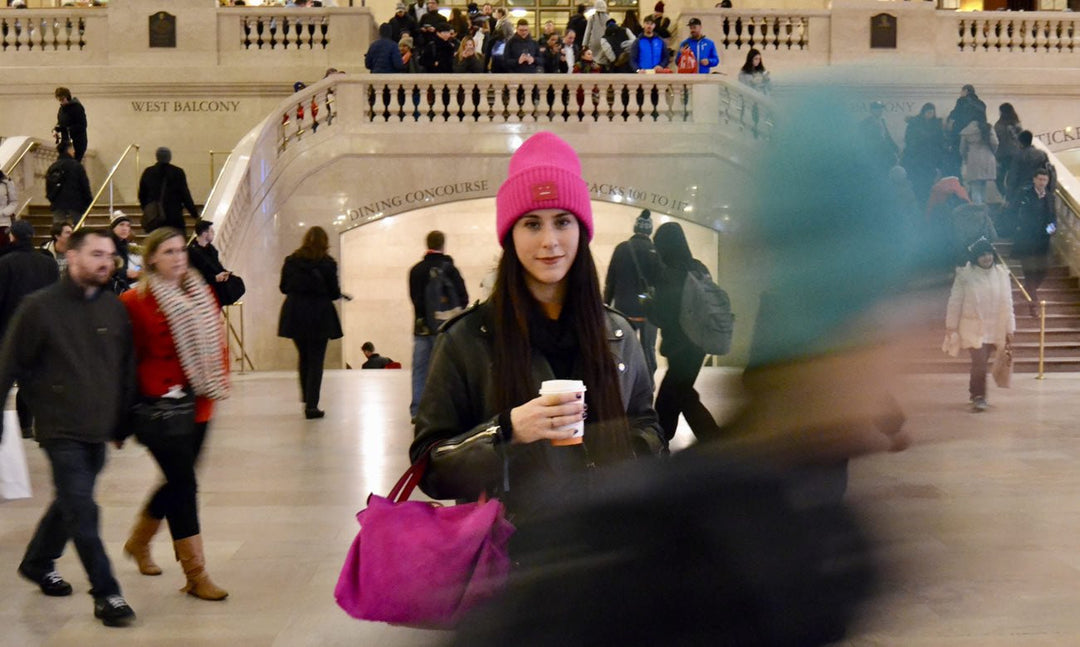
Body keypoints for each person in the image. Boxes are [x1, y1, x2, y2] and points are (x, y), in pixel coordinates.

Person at [410, 131, 663, 524]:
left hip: (604, 540)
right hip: (509, 548)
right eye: (532, 224)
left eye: (562, 222)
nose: (550, 241)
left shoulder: (615, 333)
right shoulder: (467, 338)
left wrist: (624, 451)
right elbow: (430, 467)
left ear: (581, 230)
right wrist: (506, 430)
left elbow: (649, 425)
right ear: (510, 235)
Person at [2, 228, 136, 627]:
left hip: (97, 426)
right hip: (59, 427)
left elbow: (124, 368)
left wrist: (123, 420)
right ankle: (106, 592)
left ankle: (38, 561)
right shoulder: (39, 307)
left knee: (70, 503)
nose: (105, 262)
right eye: (96, 254)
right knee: (83, 508)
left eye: (109, 255)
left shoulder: (113, 308)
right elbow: (8, 365)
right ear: (72, 257)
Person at [118, 227, 230, 601]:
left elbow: (216, 340)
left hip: (199, 401)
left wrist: (218, 379)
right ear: (151, 258)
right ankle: (196, 574)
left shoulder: (200, 291)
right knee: (183, 484)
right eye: (168, 251)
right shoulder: (134, 300)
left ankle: (139, 540)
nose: (178, 257)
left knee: (176, 480)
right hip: (159, 408)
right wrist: (123, 418)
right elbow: (125, 361)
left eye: (181, 250)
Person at [649, 221, 722, 444]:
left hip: (680, 348)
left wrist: (646, 302)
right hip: (700, 345)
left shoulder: (667, 275)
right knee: (683, 395)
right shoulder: (700, 269)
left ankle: (661, 442)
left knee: (670, 400)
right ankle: (712, 443)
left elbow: (660, 316)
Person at [0, 220, 60, 437]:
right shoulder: (48, 264)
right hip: (43, 329)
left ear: (12, 237)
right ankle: (39, 422)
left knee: (10, 376)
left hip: (10, 329)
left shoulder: (5, 263)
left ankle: (23, 425)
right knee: (37, 379)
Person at [278, 226, 344, 420]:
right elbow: (334, 292)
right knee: (316, 360)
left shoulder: (291, 261)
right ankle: (312, 405)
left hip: (295, 313)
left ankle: (307, 397)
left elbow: (283, 287)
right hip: (319, 314)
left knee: (304, 356)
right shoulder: (328, 263)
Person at [945, 238, 1015, 412]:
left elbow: (1008, 302)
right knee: (980, 362)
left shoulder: (1001, 274)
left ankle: (974, 391)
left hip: (995, 328)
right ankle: (979, 396)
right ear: (975, 257)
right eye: (982, 255)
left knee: (981, 363)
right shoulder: (965, 275)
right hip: (973, 327)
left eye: (989, 253)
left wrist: (1010, 328)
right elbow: (955, 301)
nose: (986, 258)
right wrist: (951, 325)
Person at [408, 230, 468, 419]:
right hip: (446, 329)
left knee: (420, 370)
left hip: (422, 329)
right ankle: (443, 412)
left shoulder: (416, 270)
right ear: (443, 245)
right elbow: (463, 299)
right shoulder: (451, 269)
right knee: (445, 370)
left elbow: (415, 300)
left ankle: (417, 411)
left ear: (427, 244)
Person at [604, 209, 660, 377]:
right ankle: (648, 383)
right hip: (649, 309)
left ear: (635, 228)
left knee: (625, 349)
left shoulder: (621, 249)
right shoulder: (655, 251)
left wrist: (606, 305)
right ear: (649, 230)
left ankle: (626, 381)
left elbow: (610, 281)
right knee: (648, 348)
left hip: (624, 309)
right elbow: (661, 282)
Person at [1012, 168, 1055, 317]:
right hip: (1026, 240)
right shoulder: (1025, 194)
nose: (1042, 183)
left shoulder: (1050, 197)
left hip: (1042, 241)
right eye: (1040, 179)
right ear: (1034, 179)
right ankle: (1033, 306)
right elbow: (1014, 211)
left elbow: (1053, 217)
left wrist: (1051, 229)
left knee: (1043, 271)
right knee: (1029, 273)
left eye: (1045, 180)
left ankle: (1026, 291)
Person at [137, 147, 200, 238]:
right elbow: (185, 196)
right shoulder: (177, 172)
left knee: (157, 242)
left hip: (155, 219)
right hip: (174, 217)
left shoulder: (148, 172)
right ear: (169, 157)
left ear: (157, 157)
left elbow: (141, 195)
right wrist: (195, 214)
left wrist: (149, 209)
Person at [901, 102, 946, 207]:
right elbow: (909, 141)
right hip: (917, 160)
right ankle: (921, 203)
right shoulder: (915, 124)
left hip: (930, 159)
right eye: (928, 112)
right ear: (924, 112)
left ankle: (926, 204)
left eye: (932, 113)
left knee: (929, 182)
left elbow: (940, 141)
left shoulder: (935, 125)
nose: (930, 115)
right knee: (918, 183)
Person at [187, 220, 235, 306]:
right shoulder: (192, 252)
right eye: (211, 231)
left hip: (214, 287)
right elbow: (196, 275)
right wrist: (215, 278)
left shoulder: (211, 248)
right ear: (204, 234)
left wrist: (224, 273)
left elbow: (216, 266)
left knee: (236, 284)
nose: (214, 233)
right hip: (203, 292)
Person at [45, 141, 92, 224]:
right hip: (75, 204)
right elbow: (84, 186)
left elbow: (49, 187)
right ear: (68, 150)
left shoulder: (53, 167)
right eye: (72, 149)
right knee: (77, 228)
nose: (74, 151)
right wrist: (89, 202)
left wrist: (52, 199)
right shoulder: (77, 166)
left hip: (58, 204)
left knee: (59, 228)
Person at [959, 115, 998, 205]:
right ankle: (984, 209)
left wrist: (965, 158)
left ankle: (978, 209)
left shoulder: (966, 130)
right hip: (987, 158)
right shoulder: (988, 128)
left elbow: (962, 148)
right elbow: (995, 142)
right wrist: (992, 152)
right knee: (984, 186)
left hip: (973, 159)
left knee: (975, 187)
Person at [858, 101, 898, 177]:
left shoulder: (882, 121)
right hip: (873, 154)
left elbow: (887, 136)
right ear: (872, 110)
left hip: (884, 154)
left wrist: (896, 149)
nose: (880, 111)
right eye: (877, 109)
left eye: (881, 109)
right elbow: (864, 141)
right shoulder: (864, 123)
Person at [993, 103, 1022, 195]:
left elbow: (996, 140)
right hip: (1016, 154)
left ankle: (1005, 195)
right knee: (1015, 177)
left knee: (999, 178)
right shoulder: (1016, 123)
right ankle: (1015, 195)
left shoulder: (998, 125)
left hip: (1003, 154)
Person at [53, 86, 88, 163]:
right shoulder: (61, 109)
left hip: (77, 142)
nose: (61, 102)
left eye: (62, 99)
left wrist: (68, 129)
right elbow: (60, 122)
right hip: (66, 142)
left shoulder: (77, 107)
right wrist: (55, 130)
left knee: (73, 163)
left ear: (67, 97)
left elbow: (83, 125)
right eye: (59, 100)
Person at [108, 211, 139, 294]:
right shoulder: (109, 245)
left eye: (128, 225)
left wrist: (137, 270)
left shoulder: (124, 245)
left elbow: (136, 265)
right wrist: (126, 273)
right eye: (121, 225)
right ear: (113, 228)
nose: (125, 228)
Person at [0, 169, 18, 248]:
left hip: (3, 223)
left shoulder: (7, 181)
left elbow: (14, 202)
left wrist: (4, 213)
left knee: (4, 249)